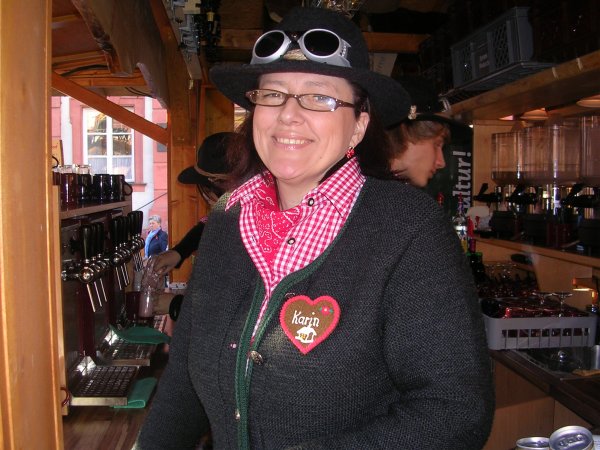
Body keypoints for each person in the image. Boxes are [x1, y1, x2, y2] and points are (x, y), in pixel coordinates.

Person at [136, 7, 494, 450]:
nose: (288, 114)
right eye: (272, 94)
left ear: (358, 126)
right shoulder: (228, 219)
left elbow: (455, 410)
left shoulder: (408, 228)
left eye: (319, 97)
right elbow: (183, 386)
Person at [147, 131, 235, 319]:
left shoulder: (242, 234)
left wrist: (176, 305)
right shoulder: (237, 216)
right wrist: (179, 252)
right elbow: (207, 226)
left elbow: (229, 310)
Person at [386, 76, 470, 188]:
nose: (441, 163)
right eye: (436, 144)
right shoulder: (380, 194)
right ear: (404, 132)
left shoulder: (374, 189)